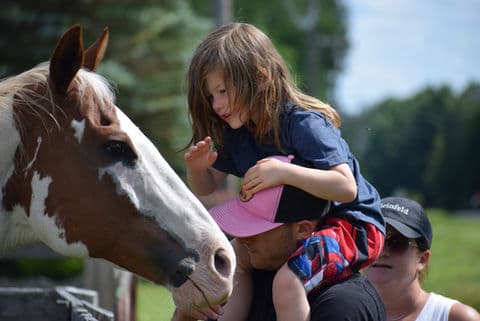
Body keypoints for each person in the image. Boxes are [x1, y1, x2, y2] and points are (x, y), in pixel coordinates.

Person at [182, 22, 385, 320]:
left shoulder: (304, 124)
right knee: (235, 260)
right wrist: (197, 169)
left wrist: (284, 173)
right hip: (299, 225)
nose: (217, 105)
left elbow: (345, 187)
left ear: (260, 78)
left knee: (288, 283)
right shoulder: (239, 133)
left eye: (223, 91)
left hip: (352, 224)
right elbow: (207, 186)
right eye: (211, 97)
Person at [172, 175, 386, 321]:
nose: (242, 236)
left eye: (254, 227)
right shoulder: (245, 280)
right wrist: (185, 315)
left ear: (302, 229)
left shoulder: (343, 305)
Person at [364, 197, 480, 321]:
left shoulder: (455, 317)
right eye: (372, 239)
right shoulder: (345, 312)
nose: (381, 252)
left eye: (396, 242)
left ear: (422, 260)